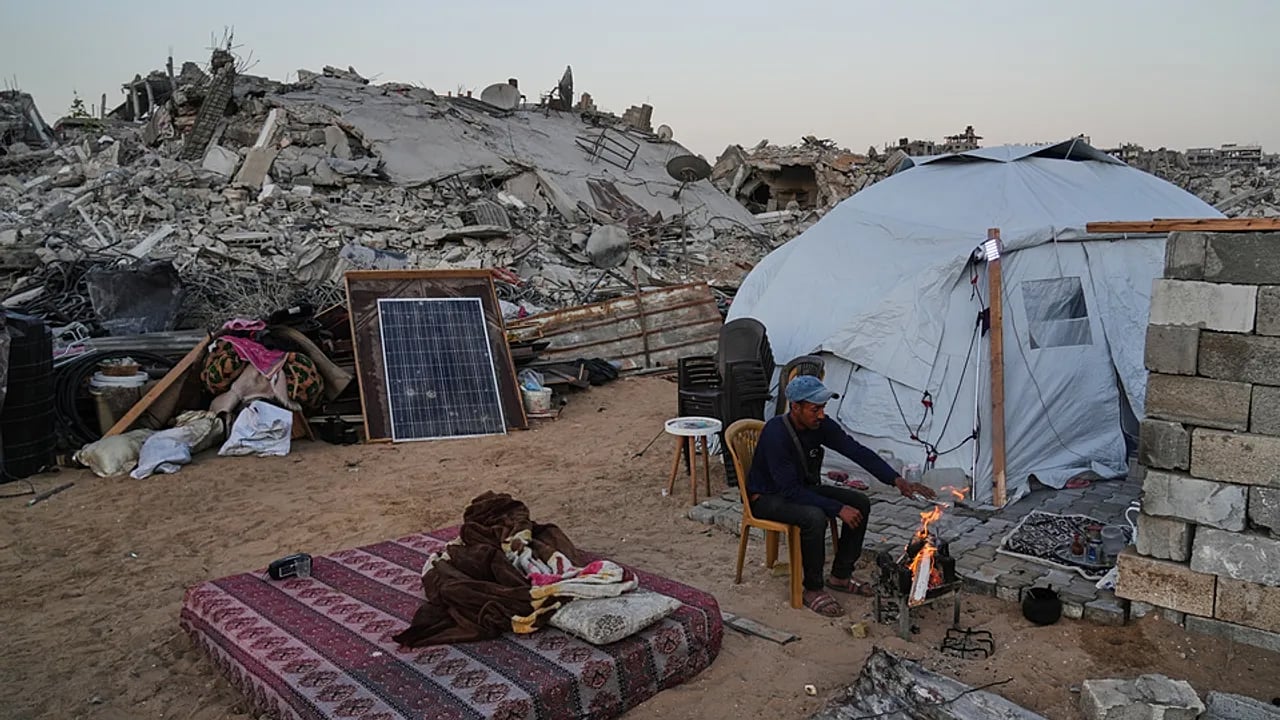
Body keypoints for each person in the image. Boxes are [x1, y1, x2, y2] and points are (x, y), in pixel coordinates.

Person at [746, 375, 936, 617]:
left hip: (799, 489)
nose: (821, 415)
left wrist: (895, 479)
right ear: (796, 407)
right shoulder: (776, 433)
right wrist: (836, 508)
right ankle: (813, 588)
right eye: (815, 409)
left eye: (823, 408)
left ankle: (840, 576)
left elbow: (855, 450)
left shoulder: (821, 426)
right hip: (767, 497)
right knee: (813, 517)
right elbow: (789, 490)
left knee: (860, 502)